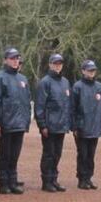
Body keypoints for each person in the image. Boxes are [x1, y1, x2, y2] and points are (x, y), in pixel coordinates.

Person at [0, 47, 31, 195]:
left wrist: (26, 122)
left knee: (15, 155)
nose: (15, 61)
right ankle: (3, 182)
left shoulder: (23, 79)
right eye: (12, 58)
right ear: (6, 60)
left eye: (17, 58)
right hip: (5, 123)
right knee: (4, 154)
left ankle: (13, 181)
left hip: (19, 123)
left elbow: (26, 102)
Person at [34, 53, 73, 192]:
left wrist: (68, 122)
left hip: (61, 125)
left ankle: (54, 179)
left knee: (57, 153)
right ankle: (47, 180)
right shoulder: (45, 82)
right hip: (50, 125)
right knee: (48, 154)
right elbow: (40, 105)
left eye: (60, 63)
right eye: (55, 63)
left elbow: (68, 104)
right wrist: (42, 124)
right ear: (50, 64)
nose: (58, 66)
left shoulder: (65, 82)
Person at [72, 59, 101, 190]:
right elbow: (73, 108)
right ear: (83, 71)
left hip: (95, 126)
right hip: (82, 126)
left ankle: (89, 177)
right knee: (83, 154)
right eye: (89, 70)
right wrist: (75, 126)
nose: (91, 72)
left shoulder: (99, 87)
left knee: (91, 154)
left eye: (93, 70)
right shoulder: (77, 87)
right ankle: (82, 178)